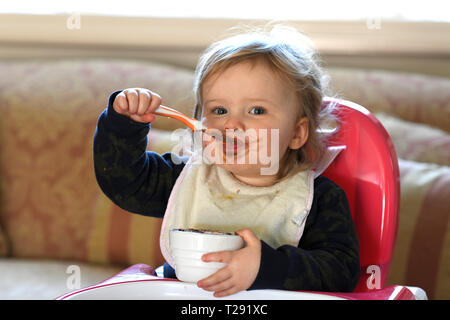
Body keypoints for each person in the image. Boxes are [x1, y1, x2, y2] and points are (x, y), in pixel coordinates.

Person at [93, 25, 360, 298]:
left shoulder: (318, 199)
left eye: (256, 110)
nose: (231, 123)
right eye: (219, 110)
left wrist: (267, 266)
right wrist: (123, 125)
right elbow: (123, 180)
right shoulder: (186, 177)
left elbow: (341, 272)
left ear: (297, 133)